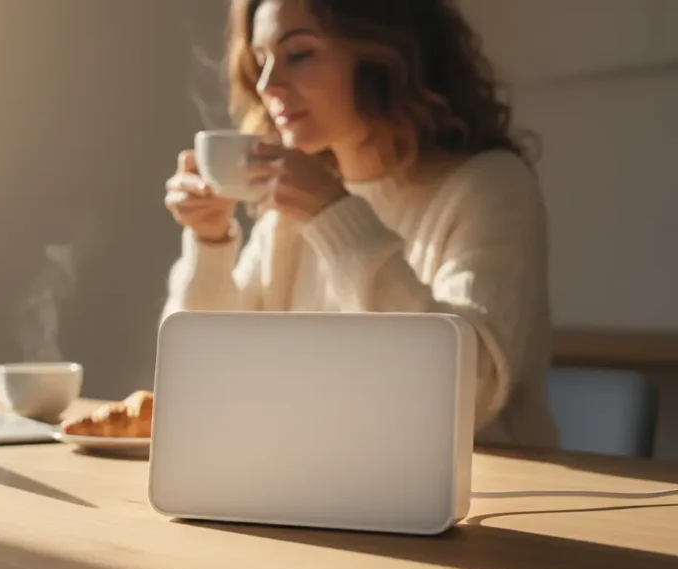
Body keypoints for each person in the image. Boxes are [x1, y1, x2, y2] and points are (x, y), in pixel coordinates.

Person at [160, 0, 559, 449]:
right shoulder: (291, 211)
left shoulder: (491, 187)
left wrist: (336, 217)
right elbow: (203, 380)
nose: (269, 85)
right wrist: (210, 241)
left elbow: (467, 396)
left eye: (299, 54)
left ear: (382, 56)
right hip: (319, 487)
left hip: (487, 499)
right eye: (260, 61)